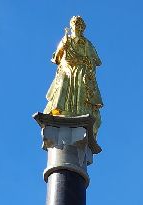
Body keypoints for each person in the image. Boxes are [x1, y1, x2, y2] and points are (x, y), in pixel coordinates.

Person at [44, 14, 103, 151]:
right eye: (76, 24)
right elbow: (57, 57)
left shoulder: (86, 43)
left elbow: (94, 61)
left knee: (81, 89)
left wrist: (86, 63)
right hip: (66, 70)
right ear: (71, 26)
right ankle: (60, 110)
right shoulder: (66, 39)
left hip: (81, 72)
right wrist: (63, 46)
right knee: (63, 85)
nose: (78, 27)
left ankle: (79, 111)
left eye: (81, 25)